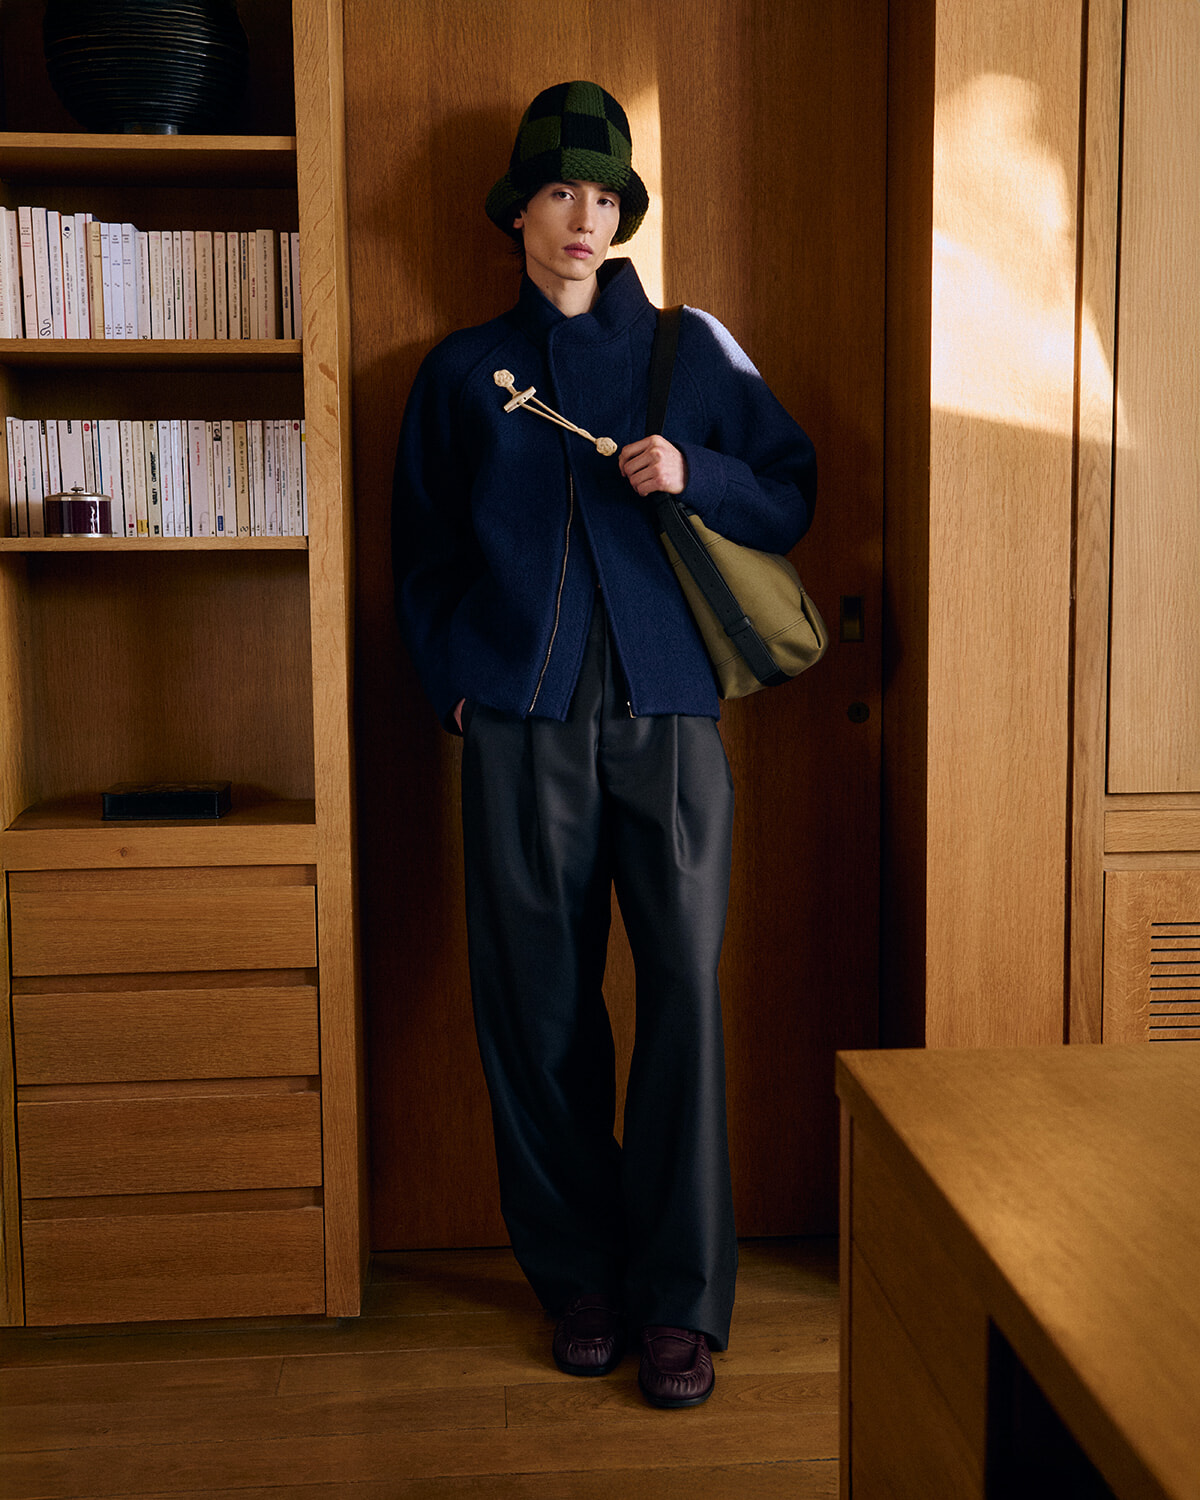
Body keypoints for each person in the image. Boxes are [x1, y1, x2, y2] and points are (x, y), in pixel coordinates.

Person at [392, 80, 816, 1409]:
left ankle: (684, 1303)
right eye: (561, 191)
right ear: (519, 208)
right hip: (519, 721)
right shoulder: (462, 372)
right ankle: (578, 1279)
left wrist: (700, 473)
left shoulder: (695, 349)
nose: (585, 218)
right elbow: (419, 558)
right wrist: (456, 692)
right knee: (536, 1007)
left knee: (684, 995)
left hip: (669, 714)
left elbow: (792, 489)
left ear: (625, 213)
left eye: (606, 195)